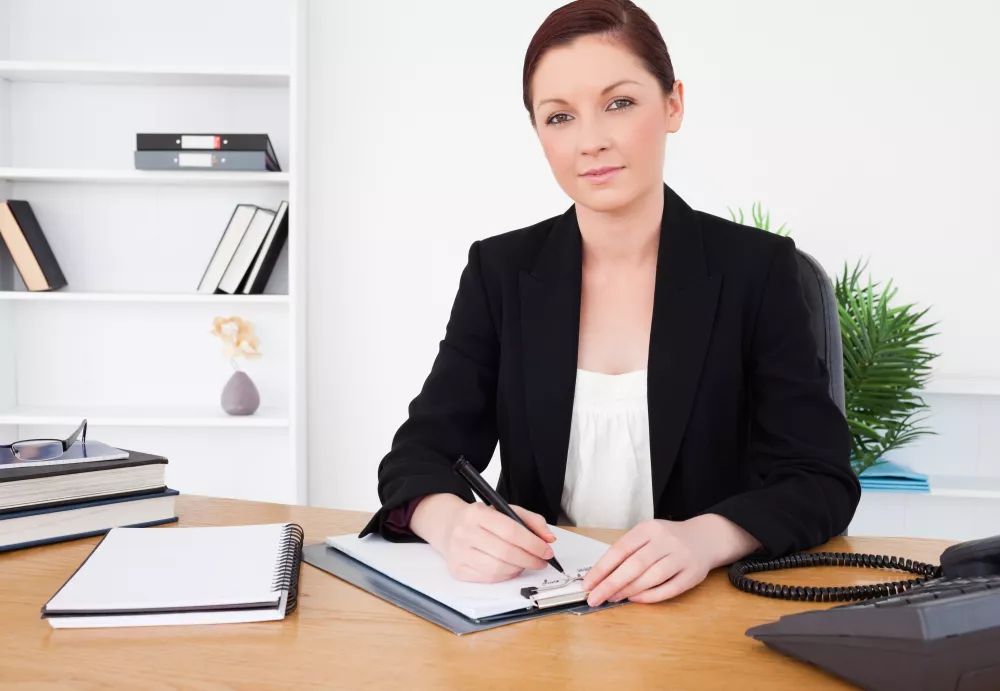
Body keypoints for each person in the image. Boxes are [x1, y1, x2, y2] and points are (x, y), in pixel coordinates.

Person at [359, 0, 860, 607]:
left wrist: (705, 539)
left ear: (673, 104)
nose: (590, 141)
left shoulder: (758, 271)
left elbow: (820, 480)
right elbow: (418, 454)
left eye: (618, 104)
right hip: (541, 611)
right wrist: (448, 522)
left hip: (703, 610)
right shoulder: (501, 272)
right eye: (559, 117)